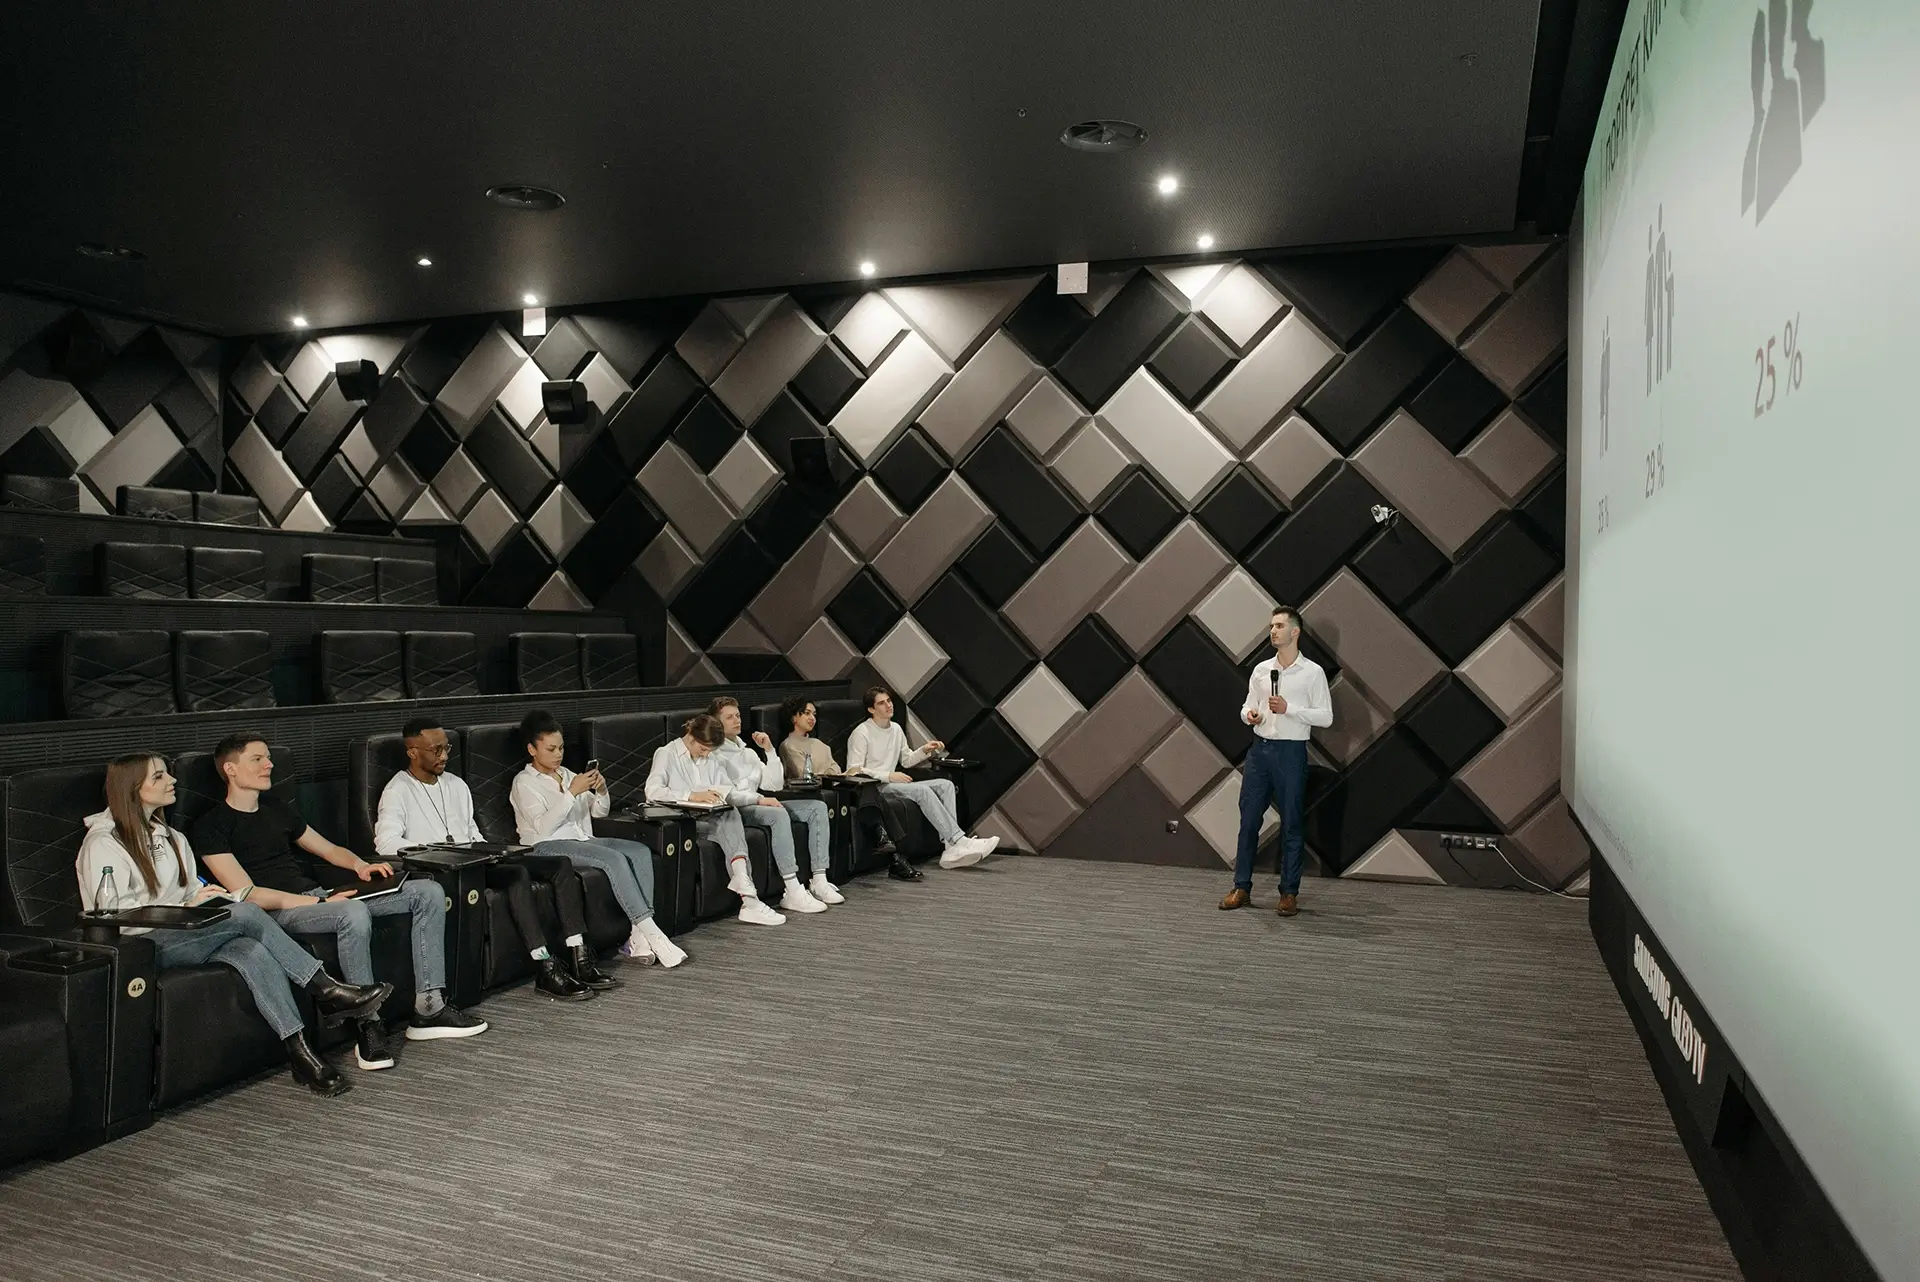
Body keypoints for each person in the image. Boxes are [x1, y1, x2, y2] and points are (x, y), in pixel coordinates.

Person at [79, 753, 391, 1097]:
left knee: (252, 950)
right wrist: (186, 905)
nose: (172, 781)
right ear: (132, 789)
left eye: (168, 774)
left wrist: (204, 895)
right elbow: (112, 913)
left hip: (188, 930)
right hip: (142, 944)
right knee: (246, 913)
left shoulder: (170, 837)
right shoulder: (104, 843)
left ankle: (301, 1052)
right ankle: (325, 988)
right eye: (159, 777)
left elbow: (190, 890)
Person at [193, 734, 488, 1072]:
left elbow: (328, 849)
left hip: (317, 897)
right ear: (230, 768)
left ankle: (430, 1008)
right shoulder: (211, 826)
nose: (269, 764)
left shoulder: (276, 809)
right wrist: (315, 902)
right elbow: (246, 895)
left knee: (427, 891)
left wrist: (360, 866)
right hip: (276, 913)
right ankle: (368, 1024)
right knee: (352, 910)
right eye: (258, 759)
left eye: (269, 757)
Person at [375, 716, 611, 1001]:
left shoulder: (456, 784)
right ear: (412, 752)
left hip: (476, 858)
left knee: (559, 864)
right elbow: (386, 843)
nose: (444, 756)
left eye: (446, 748)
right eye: (435, 750)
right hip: (446, 869)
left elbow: (472, 831)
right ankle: (544, 965)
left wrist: (489, 850)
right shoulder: (397, 790)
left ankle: (578, 954)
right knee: (517, 875)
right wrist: (436, 850)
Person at [509, 710, 688, 969]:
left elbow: (598, 812)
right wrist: (571, 793)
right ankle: (654, 934)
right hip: (546, 845)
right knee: (613, 859)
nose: (558, 754)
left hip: (582, 839)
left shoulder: (569, 775)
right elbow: (543, 828)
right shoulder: (524, 782)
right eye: (550, 749)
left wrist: (601, 790)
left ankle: (637, 937)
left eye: (560, 748)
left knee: (638, 851)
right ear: (532, 749)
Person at [1221, 605, 1332, 917]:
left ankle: (1289, 892)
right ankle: (1241, 886)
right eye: (1271, 626)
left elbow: (1326, 717)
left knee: (1293, 822)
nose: (1273, 631)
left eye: (1279, 626)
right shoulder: (1260, 670)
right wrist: (1250, 715)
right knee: (1249, 821)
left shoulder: (1312, 673)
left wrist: (1289, 709)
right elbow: (1246, 707)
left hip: (1291, 753)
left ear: (1294, 632)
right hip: (1260, 752)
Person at [643, 713, 786, 926]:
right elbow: (652, 791)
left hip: (708, 816)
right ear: (691, 737)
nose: (705, 755)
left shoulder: (711, 757)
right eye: (702, 749)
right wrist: (691, 795)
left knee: (730, 812)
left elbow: (728, 793)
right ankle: (748, 896)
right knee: (728, 819)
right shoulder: (666, 753)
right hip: (681, 820)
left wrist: (759, 799)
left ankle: (748, 896)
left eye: (709, 751)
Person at [708, 696, 838, 912]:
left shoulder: (747, 752)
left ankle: (819, 879)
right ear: (716, 722)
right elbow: (727, 796)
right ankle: (792, 889)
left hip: (758, 803)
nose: (737, 720)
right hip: (736, 811)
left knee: (817, 807)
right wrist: (758, 799)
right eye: (729, 717)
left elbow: (775, 784)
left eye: (738, 716)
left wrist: (769, 751)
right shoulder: (714, 753)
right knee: (777, 815)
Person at [844, 686, 996, 869]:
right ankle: (959, 840)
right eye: (882, 703)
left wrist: (924, 750)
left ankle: (950, 848)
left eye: (889, 701)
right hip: (875, 788)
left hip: (892, 783)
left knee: (946, 785)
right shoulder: (861, 733)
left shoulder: (896, 729)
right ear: (871, 709)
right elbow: (853, 770)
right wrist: (888, 775)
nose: (888, 706)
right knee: (922, 790)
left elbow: (907, 760)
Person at [776, 695, 922, 883]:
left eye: (814, 714)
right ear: (793, 717)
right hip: (818, 793)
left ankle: (886, 842)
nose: (812, 718)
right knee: (868, 789)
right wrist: (828, 773)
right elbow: (803, 775)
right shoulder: (788, 746)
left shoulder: (820, 745)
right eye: (806, 713)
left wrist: (832, 773)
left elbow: (835, 770)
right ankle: (891, 849)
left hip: (838, 787)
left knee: (867, 784)